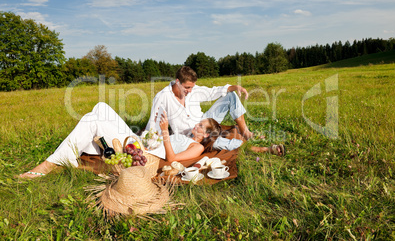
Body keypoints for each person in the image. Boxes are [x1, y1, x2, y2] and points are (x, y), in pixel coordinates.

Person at [19, 102, 222, 178]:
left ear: (206, 135)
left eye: (201, 126)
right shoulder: (185, 135)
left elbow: (171, 159)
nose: (196, 125)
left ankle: (48, 165)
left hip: (141, 152)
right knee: (100, 107)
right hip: (140, 142)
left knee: (92, 120)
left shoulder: (196, 147)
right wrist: (157, 134)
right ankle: (67, 157)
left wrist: (165, 133)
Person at [146, 66, 253, 151]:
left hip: (204, 121)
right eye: (187, 87)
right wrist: (151, 142)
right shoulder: (163, 97)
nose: (190, 91)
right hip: (189, 135)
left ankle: (245, 132)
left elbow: (212, 92)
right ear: (177, 82)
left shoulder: (193, 89)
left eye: (192, 87)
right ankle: (248, 148)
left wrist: (235, 87)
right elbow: (153, 123)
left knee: (230, 95)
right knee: (213, 142)